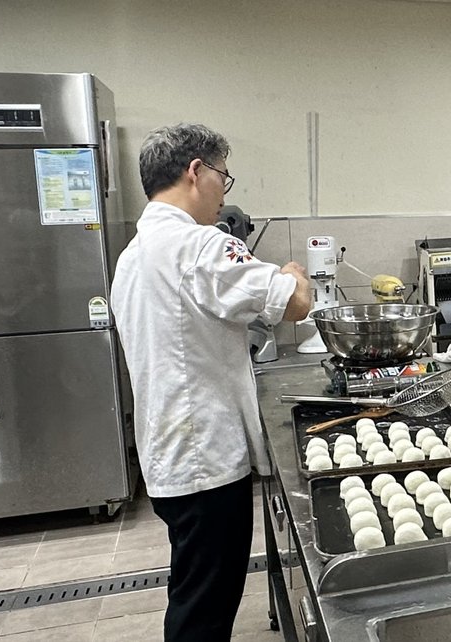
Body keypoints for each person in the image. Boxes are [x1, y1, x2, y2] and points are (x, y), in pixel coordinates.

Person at [111, 123, 310, 641]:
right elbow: (295, 303)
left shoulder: (133, 256)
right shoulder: (198, 245)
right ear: (196, 171)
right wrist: (294, 272)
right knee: (204, 608)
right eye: (224, 176)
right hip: (205, 462)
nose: (224, 191)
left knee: (194, 587)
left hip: (168, 453)